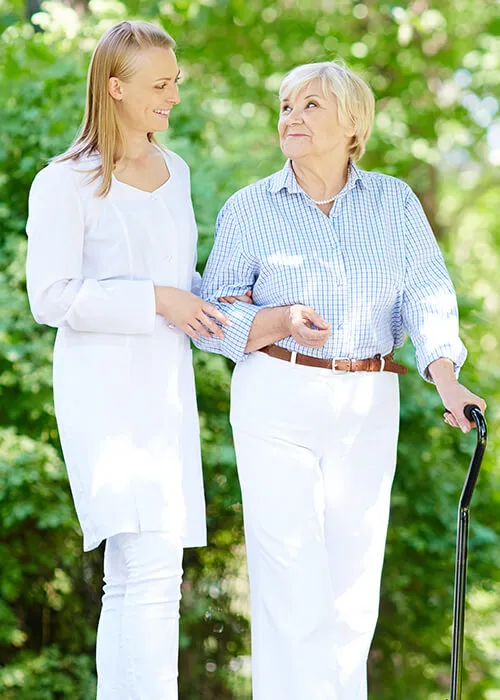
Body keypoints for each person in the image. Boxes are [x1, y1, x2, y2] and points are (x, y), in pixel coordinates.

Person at [195, 60, 487, 699]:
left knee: (353, 590)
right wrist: (280, 319)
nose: (290, 118)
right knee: (290, 580)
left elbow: (427, 294)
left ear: (352, 123)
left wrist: (446, 379)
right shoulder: (251, 208)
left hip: (368, 397)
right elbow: (210, 314)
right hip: (276, 393)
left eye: (310, 106)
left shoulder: (394, 202)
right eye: (285, 107)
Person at [25, 20, 229, 700]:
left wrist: (235, 310)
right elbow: (51, 297)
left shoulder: (178, 173)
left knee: (154, 574)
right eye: (160, 85)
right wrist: (156, 299)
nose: (173, 96)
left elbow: (183, 286)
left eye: (176, 82)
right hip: (104, 395)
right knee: (138, 566)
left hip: (166, 390)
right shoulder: (64, 183)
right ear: (115, 88)